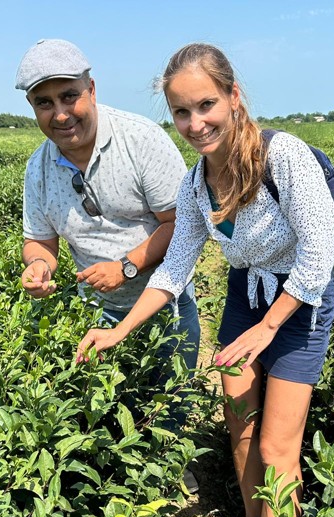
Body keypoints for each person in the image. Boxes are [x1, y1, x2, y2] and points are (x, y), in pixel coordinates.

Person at [76, 42, 334, 517]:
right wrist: (120, 329)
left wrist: (268, 328)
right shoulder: (196, 182)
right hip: (246, 295)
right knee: (240, 424)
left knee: (277, 448)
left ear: (233, 96)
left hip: (299, 303)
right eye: (181, 112)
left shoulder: (283, 156)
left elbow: (319, 253)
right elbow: (175, 266)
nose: (195, 123)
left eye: (206, 105)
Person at [16, 39, 201, 433]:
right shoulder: (38, 168)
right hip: (97, 308)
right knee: (116, 406)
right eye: (44, 103)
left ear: (92, 90)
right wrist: (38, 266)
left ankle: (172, 467)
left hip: (163, 302)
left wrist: (127, 267)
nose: (61, 114)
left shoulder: (141, 140)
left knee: (171, 399)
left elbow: (181, 223)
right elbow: (41, 240)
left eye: (69, 97)